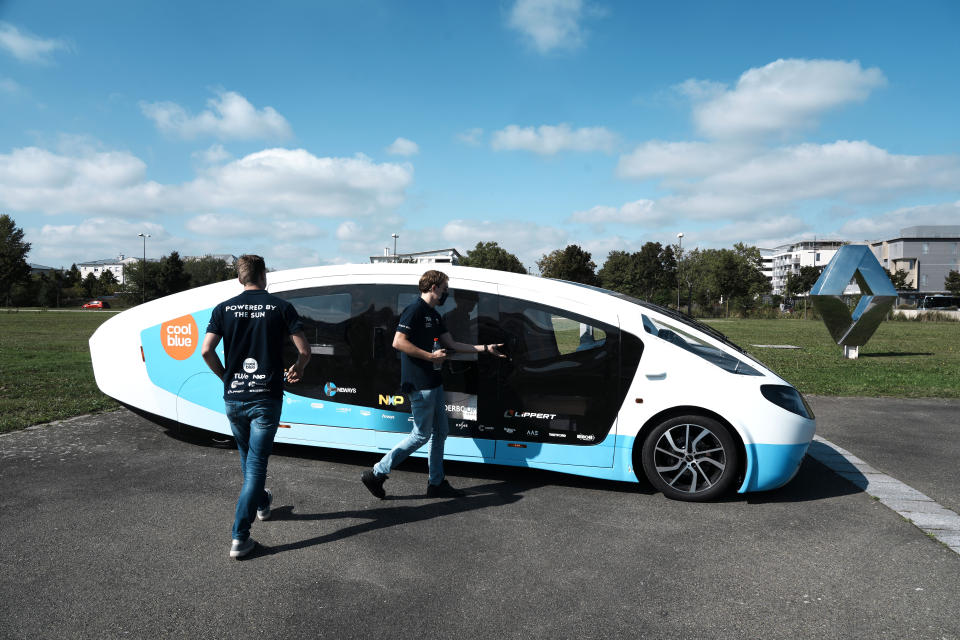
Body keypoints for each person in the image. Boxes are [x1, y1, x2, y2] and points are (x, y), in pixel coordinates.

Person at [201, 254, 311, 559]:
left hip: (234, 397)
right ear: (264, 275)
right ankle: (240, 537)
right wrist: (299, 367)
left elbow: (206, 350)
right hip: (266, 397)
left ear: (240, 278)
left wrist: (226, 377)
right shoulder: (281, 307)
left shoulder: (223, 309)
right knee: (256, 466)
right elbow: (304, 349)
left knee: (249, 459)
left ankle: (262, 502)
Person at [361, 270, 503, 499]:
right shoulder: (414, 310)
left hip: (434, 383)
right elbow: (398, 342)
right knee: (420, 435)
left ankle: (436, 483)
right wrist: (429, 357)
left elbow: (452, 343)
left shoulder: (435, 315)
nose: (447, 292)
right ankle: (377, 472)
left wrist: (485, 349)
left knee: (441, 432)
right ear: (434, 287)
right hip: (420, 383)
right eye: (445, 287)